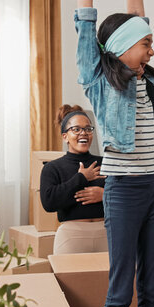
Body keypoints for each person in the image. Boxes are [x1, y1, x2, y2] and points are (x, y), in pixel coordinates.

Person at [75, 0, 154, 307]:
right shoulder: (99, 80)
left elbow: (138, 18)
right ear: (122, 45)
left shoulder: (144, 82)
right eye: (146, 44)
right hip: (123, 190)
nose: (151, 52)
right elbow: (85, 22)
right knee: (121, 292)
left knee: (153, 289)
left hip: (152, 188)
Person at [39, 105, 108, 255]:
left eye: (88, 129)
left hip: (107, 233)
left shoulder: (107, 162)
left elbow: (128, 195)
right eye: (76, 129)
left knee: (112, 279)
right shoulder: (52, 168)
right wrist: (81, 178)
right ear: (65, 136)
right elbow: (49, 203)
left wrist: (105, 195)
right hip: (71, 237)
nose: (83, 133)